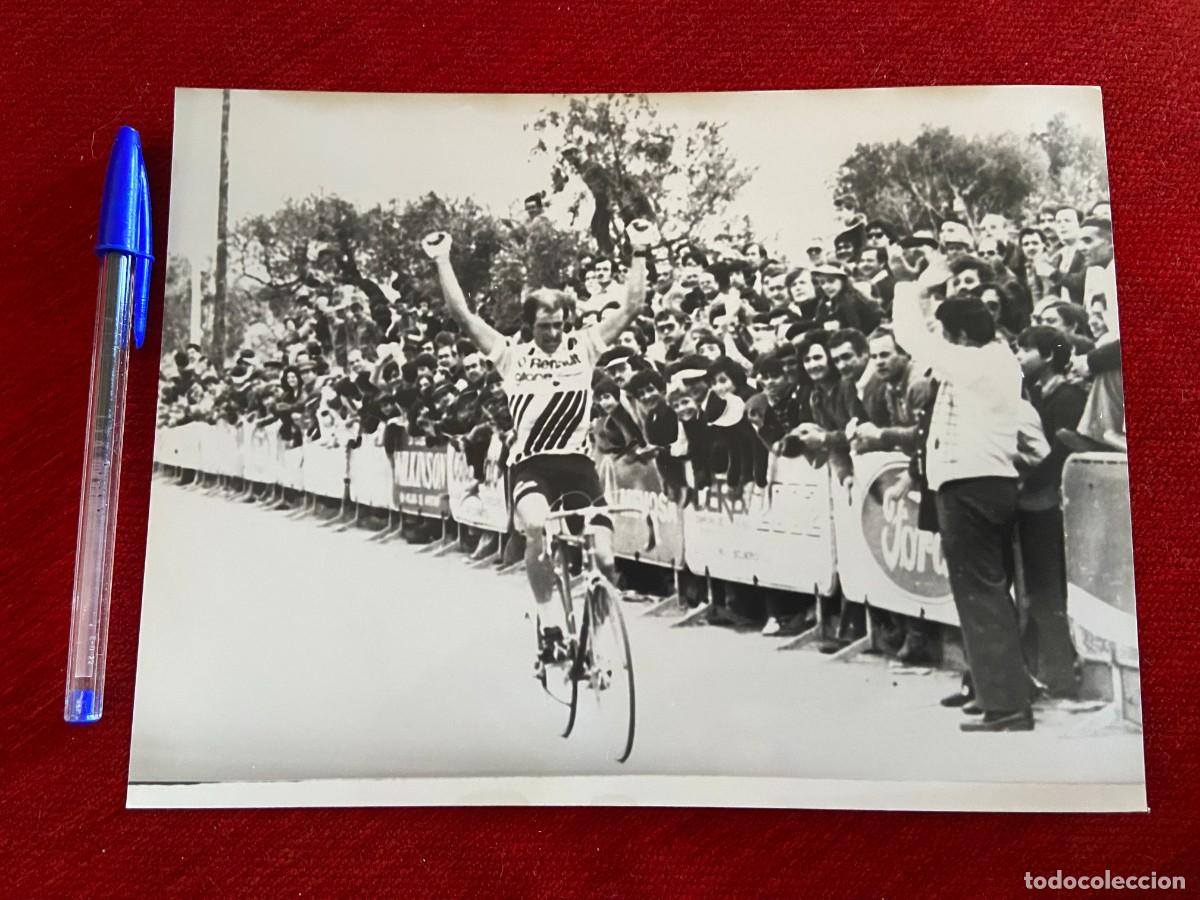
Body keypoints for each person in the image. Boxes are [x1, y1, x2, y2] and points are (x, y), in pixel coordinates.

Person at [422, 219, 660, 672]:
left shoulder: (585, 346)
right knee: (536, 526)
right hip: (532, 467)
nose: (554, 334)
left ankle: (592, 641)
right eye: (546, 326)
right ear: (530, 325)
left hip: (578, 468)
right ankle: (551, 623)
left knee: (606, 560)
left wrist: (640, 250)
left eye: (560, 325)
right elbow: (464, 316)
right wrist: (442, 260)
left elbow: (631, 306)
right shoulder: (511, 354)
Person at [889, 247, 1033, 732]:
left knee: (981, 596)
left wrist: (919, 286)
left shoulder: (979, 365)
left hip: (972, 487)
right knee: (985, 594)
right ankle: (998, 695)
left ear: (964, 337)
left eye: (950, 335)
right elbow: (926, 338)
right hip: (979, 484)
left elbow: (911, 336)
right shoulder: (989, 360)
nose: (944, 342)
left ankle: (1007, 706)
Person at [1015, 326, 1087, 697]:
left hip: (1051, 507)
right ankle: (1048, 671)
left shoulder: (1068, 396)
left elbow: (1062, 454)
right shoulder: (1034, 395)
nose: (1018, 357)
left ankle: (1061, 675)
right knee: (1039, 593)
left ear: (1046, 355)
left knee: (1049, 593)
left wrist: (1026, 482)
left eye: (1024, 350)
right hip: (1036, 505)